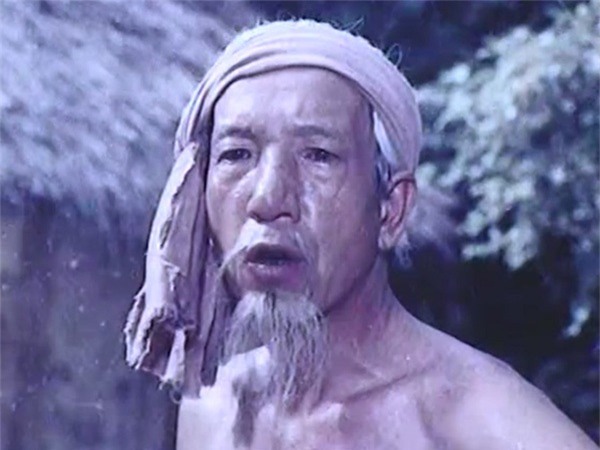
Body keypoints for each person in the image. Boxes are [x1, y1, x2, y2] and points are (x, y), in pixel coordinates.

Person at [124, 20, 597, 450]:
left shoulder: (483, 422)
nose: (266, 198)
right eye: (236, 155)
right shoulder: (211, 409)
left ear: (391, 210)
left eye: (318, 155)